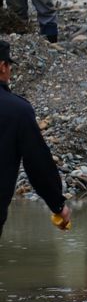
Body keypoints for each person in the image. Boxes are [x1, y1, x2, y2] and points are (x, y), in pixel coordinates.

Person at [0, 40, 69, 238]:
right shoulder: (17, 110)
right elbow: (38, 163)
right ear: (3, 66)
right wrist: (58, 206)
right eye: (10, 66)